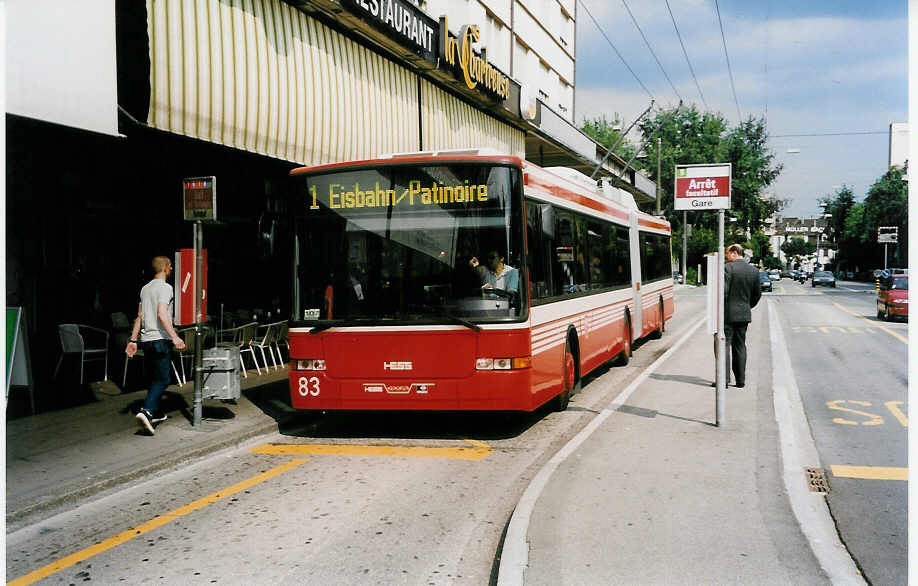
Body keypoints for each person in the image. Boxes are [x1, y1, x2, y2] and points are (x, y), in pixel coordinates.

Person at [125, 256, 187, 434]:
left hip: (146, 341)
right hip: (160, 339)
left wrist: (133, 340)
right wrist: (174, 337)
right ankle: (147, 411)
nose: (172, 268)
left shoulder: (145, 289)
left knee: (155, 378)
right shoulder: (166, 288)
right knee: (164, 379)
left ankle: (157, 413)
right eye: (170, 266)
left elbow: (140, 316)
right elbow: (162, 313)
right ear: (165, 267)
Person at [720, 243, 762, 388]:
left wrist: (723, 308)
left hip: (727, 314)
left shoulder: (728, 268)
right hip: (744, 314)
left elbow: (724, 293)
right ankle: (740, 380)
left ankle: (724, 380)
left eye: (727, 254)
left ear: (734, 253)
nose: (726, 257)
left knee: (724, 345)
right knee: (740, 346)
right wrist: (746, 306)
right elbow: (757, 295)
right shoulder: (754, 271)